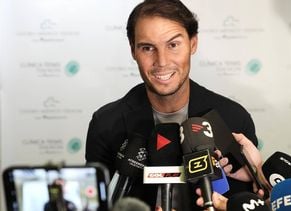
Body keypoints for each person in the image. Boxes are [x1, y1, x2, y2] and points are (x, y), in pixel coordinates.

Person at [85, 0, 258, 210]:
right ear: (133, 51)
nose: (162, 61)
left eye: (173, 45)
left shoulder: (233, 118)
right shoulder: (106, 124)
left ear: (193, 43)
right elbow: (94, 204)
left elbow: (245, 203)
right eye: (148, 48)